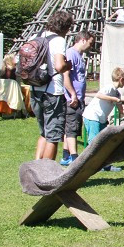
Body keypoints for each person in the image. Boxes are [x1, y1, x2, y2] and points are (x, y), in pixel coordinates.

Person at [31, 10, 76, 160]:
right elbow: (58, 66)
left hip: (35, 89)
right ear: (65, 27)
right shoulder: (58, 40)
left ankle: (37, 166)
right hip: (52, 92)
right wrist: (67, 66)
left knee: (44, 132)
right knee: (53, 136)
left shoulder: (36, 36)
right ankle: (46, 173)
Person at [82, 67, 124, 172]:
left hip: (102, 119)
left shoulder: (117, 93)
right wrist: (112, 99)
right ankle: (91, 165)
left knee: (104, 143)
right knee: (94, 143)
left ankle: (104, 165)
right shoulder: (109, 88)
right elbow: (98, 95)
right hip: (92, 116)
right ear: (121, 79)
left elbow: (121, 110)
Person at [60, 30, 95, 166]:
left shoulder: (78, 55)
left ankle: (66, 155)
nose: (90, 46)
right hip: (72, 99)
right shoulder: (71, 54)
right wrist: (72, 94)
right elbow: (66, 75)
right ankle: (75, 159)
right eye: (90, 43)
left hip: (78, 97)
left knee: (71, 126)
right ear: (83, 40)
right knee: (72, 128)